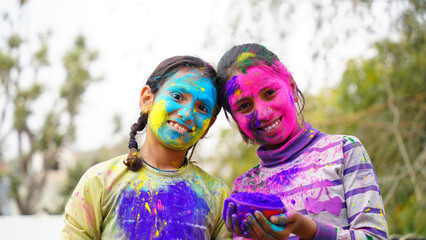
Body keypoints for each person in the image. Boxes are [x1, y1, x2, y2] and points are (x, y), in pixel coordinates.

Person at [216, 43, 388, 240]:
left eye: (269, 93)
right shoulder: (245, 188)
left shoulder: (343, 151)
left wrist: (307, 229)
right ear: (236, 119)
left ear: (291, 86)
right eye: (245, 105)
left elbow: (375, 237)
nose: (263, 113)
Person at [62, 56, 231, 239]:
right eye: (177, 96)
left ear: (210, 124)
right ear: (146, 99)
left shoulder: (216, 196)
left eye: (202, 108)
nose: (187, 113)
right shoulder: (99, 182)